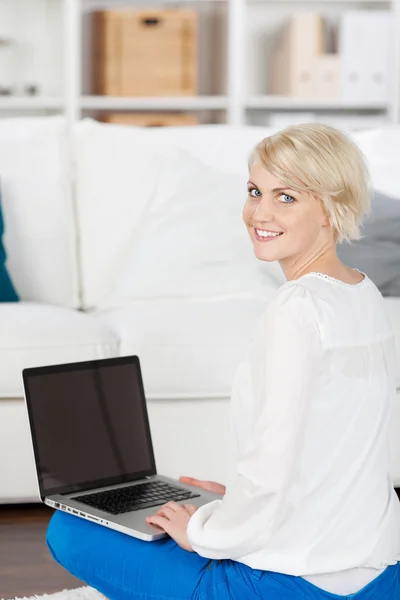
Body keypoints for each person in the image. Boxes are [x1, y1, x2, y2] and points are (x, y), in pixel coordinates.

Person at [46, 123, 400, 599]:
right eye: (255, 191)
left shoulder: (297, 309)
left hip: (297, 586)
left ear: (331, 209)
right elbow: (341, 448)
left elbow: (271, 470)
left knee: (69, 530)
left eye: (286, 197)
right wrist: (232, 505)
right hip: (379, 573)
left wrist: (206, 533)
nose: (260, 212)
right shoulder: (363, 291)